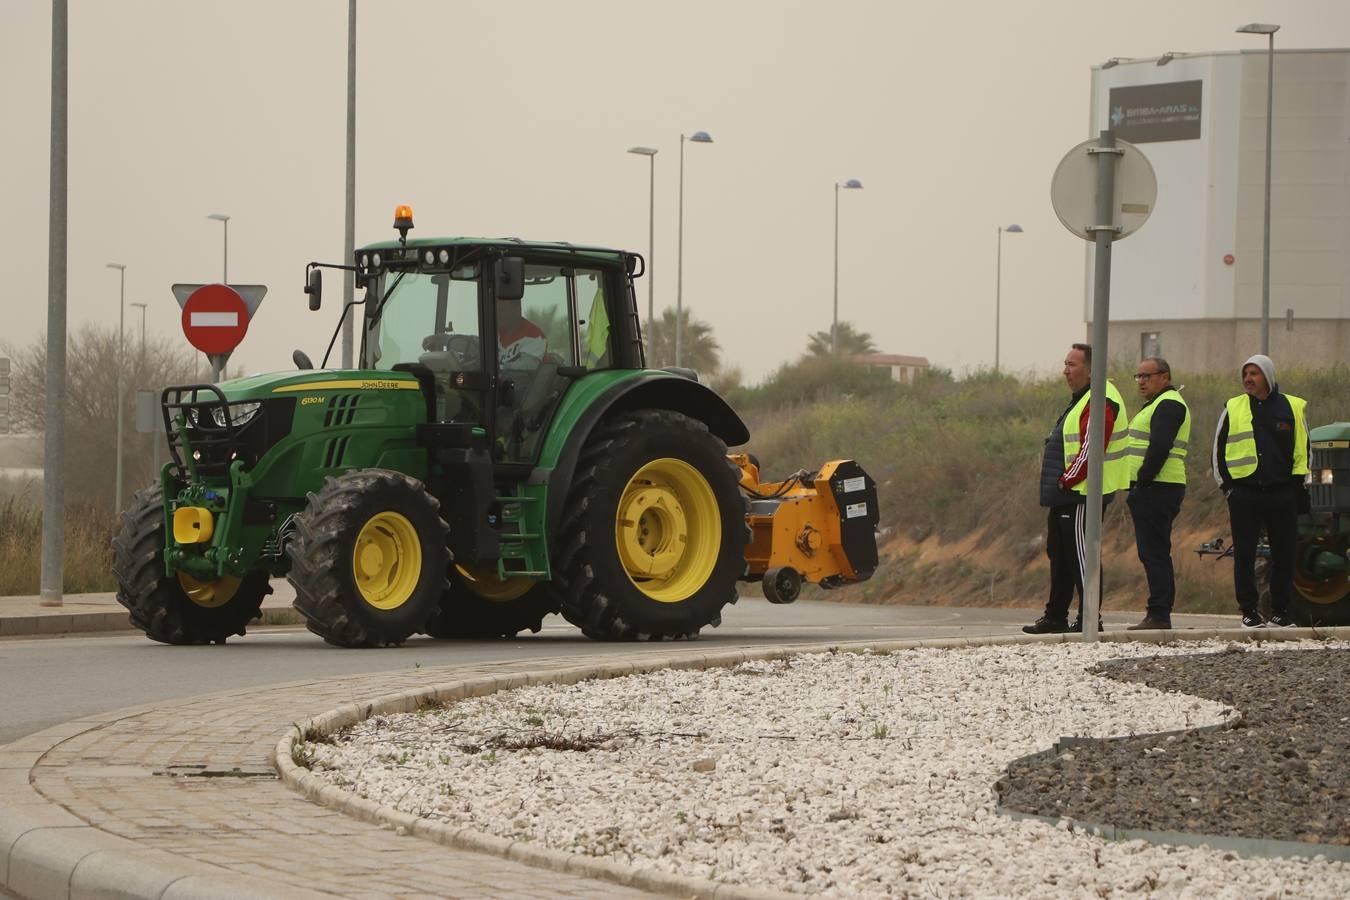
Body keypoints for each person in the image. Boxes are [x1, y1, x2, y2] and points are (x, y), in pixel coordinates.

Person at [1023, 343, 1131, 634]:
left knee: (1083, 555)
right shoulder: (1083, 398)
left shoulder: (1102, 399)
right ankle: (1055, 616)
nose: (1065, 370)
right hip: (1067, 494)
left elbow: (1092, 447)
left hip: (1082, 493)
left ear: (1091, 369)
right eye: (1066, 364)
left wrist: (1067, 479)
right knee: (1059, 554)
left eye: (1072, 365)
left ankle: (1088, 619)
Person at [1212, 354, 1310, 628]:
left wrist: (1295, 486)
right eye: (1245, 374)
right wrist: (1228, 488)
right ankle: (1249, 612)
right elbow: (1217, 452)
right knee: (1244, 554)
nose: (1248, 379)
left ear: (1267, 376)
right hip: (1245, 494)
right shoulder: (1233, 407)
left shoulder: (1292, 407)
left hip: (1282, 493)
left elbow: (1304, 450)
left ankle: (1280, 612)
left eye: (1254, 374)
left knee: (1285, 554)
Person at [1124, 358, 1189, 631]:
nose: (1141, 381)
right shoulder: (1157, 404)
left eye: (1146, 376)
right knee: (1154, 552)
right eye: (1137, 376)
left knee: (1154, 553)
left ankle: (1159, 613)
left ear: (1165, 377)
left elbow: (1160, 445)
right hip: (1156, 486)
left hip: (1158, 486)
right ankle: (1158, 612)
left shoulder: (1169, 403)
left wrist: (1142, 481)